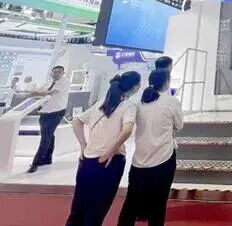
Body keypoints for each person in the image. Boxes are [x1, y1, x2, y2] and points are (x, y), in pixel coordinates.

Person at [66, 72, 141, 226]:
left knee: (79, 206)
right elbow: (127, 130)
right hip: (110, 162)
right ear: (135, 87)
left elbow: (76, 121)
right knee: (97, 208)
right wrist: (111, 151)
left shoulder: (101, 103)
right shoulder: (129, 106)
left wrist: (83, 145)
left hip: (87, 160)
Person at [119, 69, 184, 226]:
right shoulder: (172, 101)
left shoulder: (139, 102)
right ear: (167, 82)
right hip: (163, 160)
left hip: (139, 161)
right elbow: (179, 125)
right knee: (158, 205)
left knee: (130, 204)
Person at [28, 65, 70, 173]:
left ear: (63, 73)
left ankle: (36, 162)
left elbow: (50, 93)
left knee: (45, 137)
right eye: (54, 71)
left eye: (58, 72)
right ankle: (47, 158)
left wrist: (39, 93)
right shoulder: (48, 83)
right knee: (49, 135)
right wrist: (37, 92)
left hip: (56, 112)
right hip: (44, 112)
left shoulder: (64, 83)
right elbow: (35, 92)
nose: (56, 73)